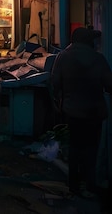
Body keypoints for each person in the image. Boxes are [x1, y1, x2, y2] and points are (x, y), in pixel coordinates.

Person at [51, 27, 112, 198]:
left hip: (73, 111)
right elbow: (109, 84)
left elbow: (55, 83)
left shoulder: (63, 57)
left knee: (75, 148)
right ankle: (91, 183)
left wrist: (58, 102)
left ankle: (74, 184)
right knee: (91, 148)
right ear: (88, 41)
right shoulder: (98, 58)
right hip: (94, 111)